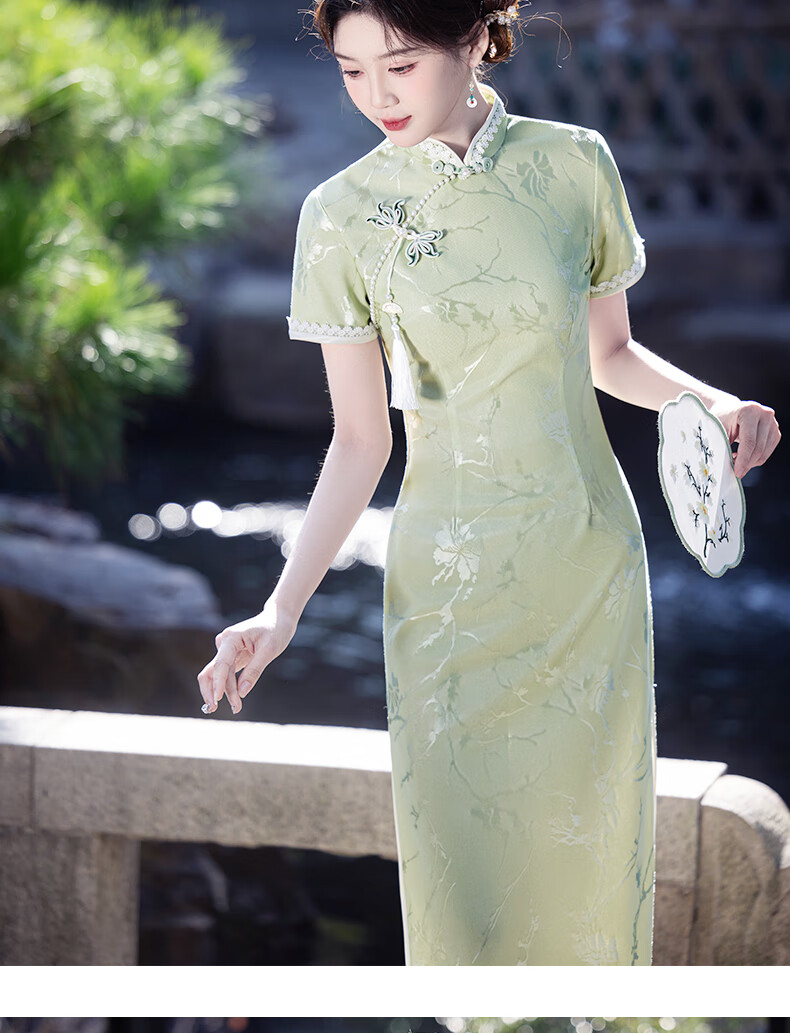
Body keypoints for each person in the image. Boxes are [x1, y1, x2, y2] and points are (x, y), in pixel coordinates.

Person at [197, 0, 780, 965]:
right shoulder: (339, 213)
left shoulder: (574, 162)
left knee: (591, 874)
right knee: (463, 894)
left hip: (584, 562)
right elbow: (359, 440)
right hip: (447, 585)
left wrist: (715, 404)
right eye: (351, 70)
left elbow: (609, 353)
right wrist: (281, 608)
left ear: (474, 39)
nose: (376, 95)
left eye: (399, 64)